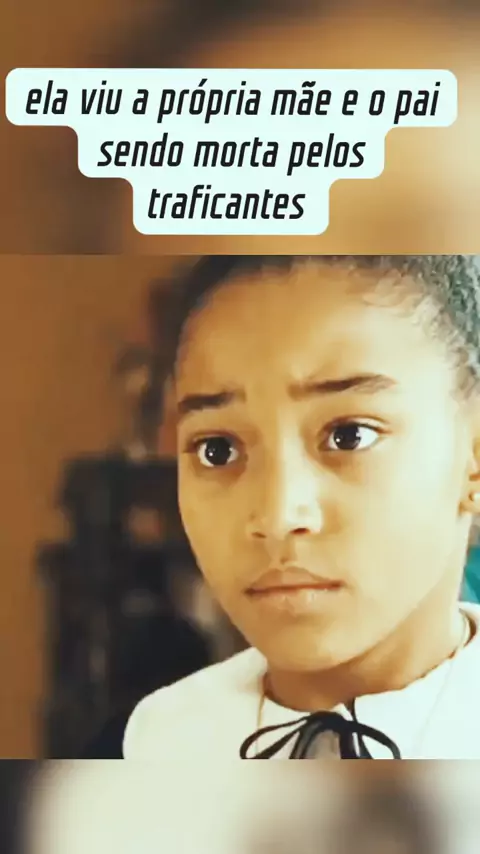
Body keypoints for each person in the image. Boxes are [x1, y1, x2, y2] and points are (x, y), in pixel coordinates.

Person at [124, 254, 480, 759]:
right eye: (217, 449)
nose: (278, 516)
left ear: (473, 459)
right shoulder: (161, 737)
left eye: (349, 435)